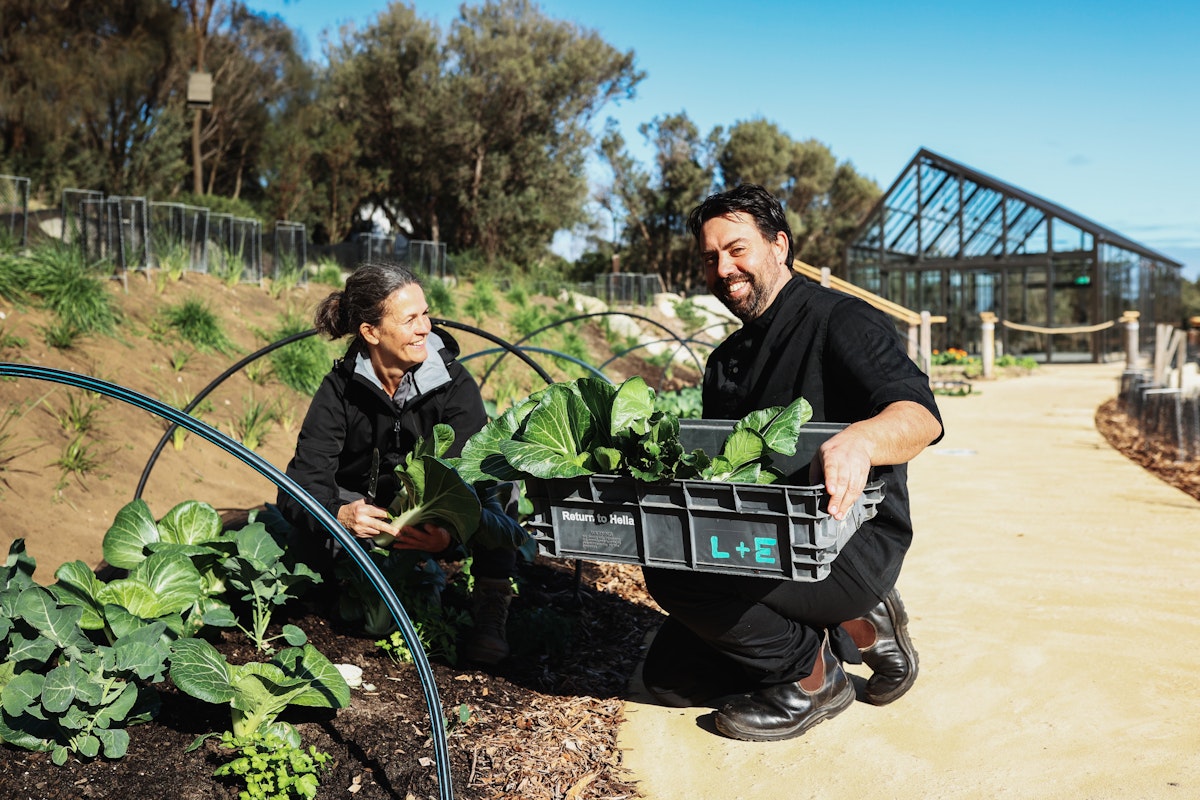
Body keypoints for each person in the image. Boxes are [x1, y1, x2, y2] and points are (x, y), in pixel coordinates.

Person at [639, 184, 944, 741]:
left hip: (842, 544)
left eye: (737, 249)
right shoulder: (726, 359)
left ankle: (812, 677)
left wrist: (861, 441)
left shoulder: (841, 320)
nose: (723, 268)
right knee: (670, 681)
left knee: (675, 571)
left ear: (779, 246)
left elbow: (921, 416)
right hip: (766, 540)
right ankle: (858, 626)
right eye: (710, 258)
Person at [276, 261, 517, 665]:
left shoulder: (453, 384)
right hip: (370, 517)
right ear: (371, 332)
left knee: (500, 483)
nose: (425, 327)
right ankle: (343, 585)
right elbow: (300, 484)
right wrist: (339, 514)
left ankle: (492, 601)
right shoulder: (339, 390)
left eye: (425, 314)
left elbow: (468, 473)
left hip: (429, 515)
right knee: (315, 535)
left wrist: (448, 533)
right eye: (410, 320)